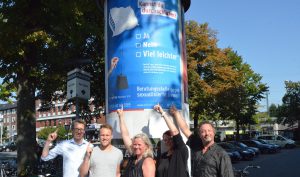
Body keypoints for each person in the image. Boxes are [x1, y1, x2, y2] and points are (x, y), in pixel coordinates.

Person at [171, 106, 234, 177]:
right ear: (199, 134)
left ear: (214, 133)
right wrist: (176, 113)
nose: (207, 134)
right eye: (203, 131)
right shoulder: (196, 145)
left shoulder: (222, 154)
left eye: (209, 131)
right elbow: (185, 129)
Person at [116, 107, 156, 177]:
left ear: (146, 146)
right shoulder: (134, 156)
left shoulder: (148, 161)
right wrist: (121, 117)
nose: (136, 146)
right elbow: (125, 135)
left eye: (139, 144)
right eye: (134, 144)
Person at [153, 104, 189, 177]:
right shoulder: (163, 156)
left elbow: (175, 132)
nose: (167, 142)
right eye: (165, 140)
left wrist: (162, 113)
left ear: (174, 139)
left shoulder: (181, 151)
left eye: (170, 139)